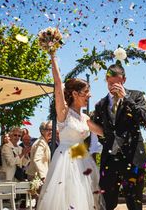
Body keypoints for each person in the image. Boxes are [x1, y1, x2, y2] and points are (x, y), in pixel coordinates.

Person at [37, 51, 105, 210]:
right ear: (75, 93)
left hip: (82, 156)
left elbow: (104, 132)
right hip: (65, 158)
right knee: (66, 196)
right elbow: (58, 83)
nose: (90, 95)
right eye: (86, 92)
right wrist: (53, 56)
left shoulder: (85, 117)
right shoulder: (64, 112)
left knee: (84, 196)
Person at [92, 64, 146, 210]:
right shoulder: (101, 104)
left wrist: (126, 98)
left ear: (124, 80)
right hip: (110, 160)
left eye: (117, 83)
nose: (113, 86)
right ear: (106, 80)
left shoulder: (136, 96)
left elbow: (144, 118)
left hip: (133, 157)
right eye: (110, 83)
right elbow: (99, 129)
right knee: (106, 203)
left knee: (134, 203)